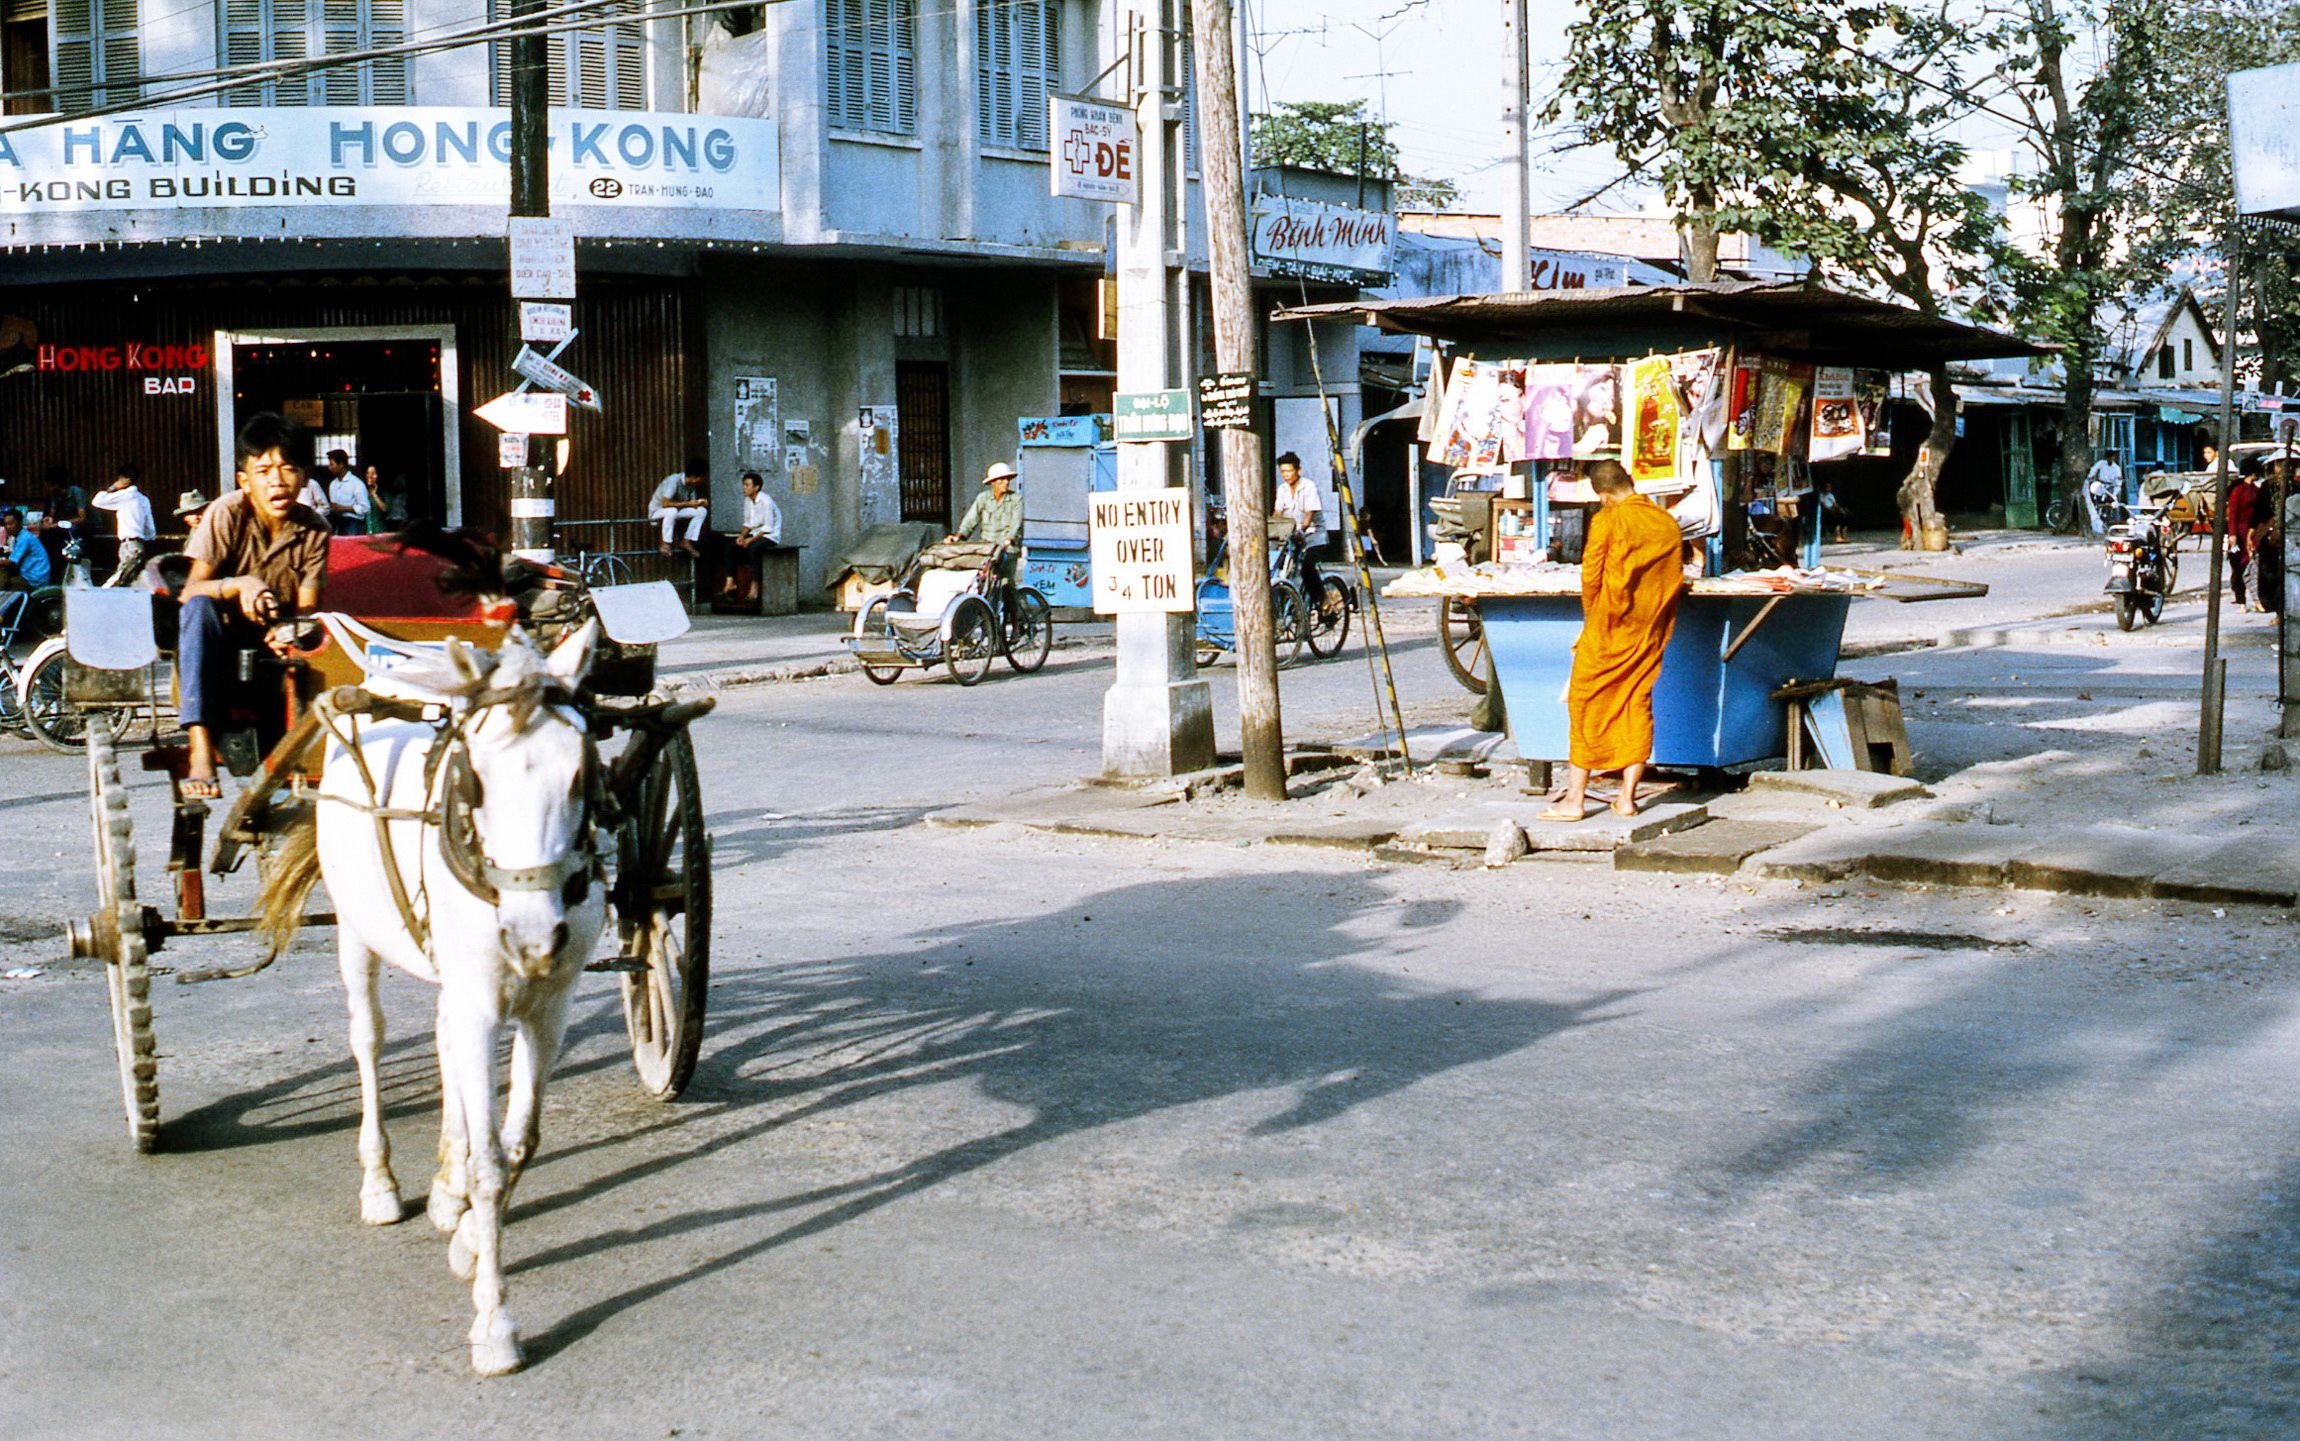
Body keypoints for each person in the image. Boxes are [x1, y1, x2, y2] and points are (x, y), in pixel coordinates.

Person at [177, 413, 332, 800]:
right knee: (199, 608)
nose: (277, 480)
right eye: (263, 471)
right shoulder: (226, 513)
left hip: (274, 648)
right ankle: (200, 749)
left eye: (288, 468)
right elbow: (190, 590)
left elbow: (307, 607)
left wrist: (288, 630)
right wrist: (238, 585)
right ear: (245, 480)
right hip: (218, 645)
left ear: (304, 477)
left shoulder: (315, 530)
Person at [1544, 460, 1685, 823]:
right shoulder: (1665, 522)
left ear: (1603, 496)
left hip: (1608, 628)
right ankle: (1626, 798)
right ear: (1630, 481)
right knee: (1636, 701)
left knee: (1584, 704)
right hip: (1647, 630)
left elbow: (1591, 576)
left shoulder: (1607, 520)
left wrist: (1592, 621)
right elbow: (1672, 579)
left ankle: (1575, 800)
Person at [1272, 451, 1333, 616]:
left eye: (1289, 471)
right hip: (1292, 537)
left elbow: (1309, 515)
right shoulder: (1282, 489)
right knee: (1278, 565)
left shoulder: (1309, 486)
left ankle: (1322, 600)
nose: (1286, 475)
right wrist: (1273, 528)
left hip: (1314, 536)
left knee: (1306, 566)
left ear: (1298, 470)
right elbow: (1278, 513)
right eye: (1283, 472)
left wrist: (1301, 530)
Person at [720, 470, 783, 606]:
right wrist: (742, 536)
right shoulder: (748, 501)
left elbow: (768, 527)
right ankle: (730, 582)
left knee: (754, 549)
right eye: (743, 485)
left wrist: (750, 540)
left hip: (770, 536)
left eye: (747, 485)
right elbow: (749, 523)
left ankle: (755, 588)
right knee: (730, 547)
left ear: (756, 487)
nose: (744, 488)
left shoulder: (766, 501)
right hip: (755, 534)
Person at [90, 462, 157, 587]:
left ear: (123, 479)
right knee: (131, 579)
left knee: (121, 579)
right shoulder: (144, 499)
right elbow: (150, 530)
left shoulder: (126, 496)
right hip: (139, 544)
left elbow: (97, 501)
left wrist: (113, 487)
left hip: (128, 545)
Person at [650, 459, 710, 554]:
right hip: (658, 510)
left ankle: (686, 541)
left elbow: (691, 504)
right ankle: (665, 543)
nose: (702, 480)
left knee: (702, 511)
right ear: (694, 477)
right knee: (672, 511)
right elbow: (665, 504)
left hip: (677, 510)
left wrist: (699, 503)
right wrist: (688, 504)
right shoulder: (673, 481)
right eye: (701, 477)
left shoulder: (691, 486)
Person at [2228, 459, 2263, 611]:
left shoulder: (2256, 490)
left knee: (2253, 566)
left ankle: (2256, 599)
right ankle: (2241, 601)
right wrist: (2232, 534)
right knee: (2238, 567)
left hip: (2253, 532)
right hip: (2239, 532)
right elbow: (2233, 514)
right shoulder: (2238, 491)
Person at [323, 449, 370, 536]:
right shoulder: (333, 484)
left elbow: (365, 508)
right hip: (337, 520)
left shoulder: (356, 483)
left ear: (341, 465)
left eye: (332, 464)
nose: (329, 468)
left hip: (353, 521)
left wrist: (344, 508)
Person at [1, 507, 49, 587]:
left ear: (20, 523)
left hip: (35, 579)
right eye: (6, 524)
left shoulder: (24, 538)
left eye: (11, 524)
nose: (8, 527)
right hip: (34, 575)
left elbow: (11, 562)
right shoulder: (22, 536)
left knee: (4, 582)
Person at [2085, 452, 2125, 534]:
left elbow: (2118, 483)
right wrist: (2090, 476)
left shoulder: (2116, 468)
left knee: (2115, 505)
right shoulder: (2101, 463)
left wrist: (2113, 494)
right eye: (2109, 457)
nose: (2110, 459)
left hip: (2111, 487)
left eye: (2112, 457)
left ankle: (2117, 524)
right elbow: (2094, 469)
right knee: (2096, 503)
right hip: (2101, 486)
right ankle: (2096, 522)